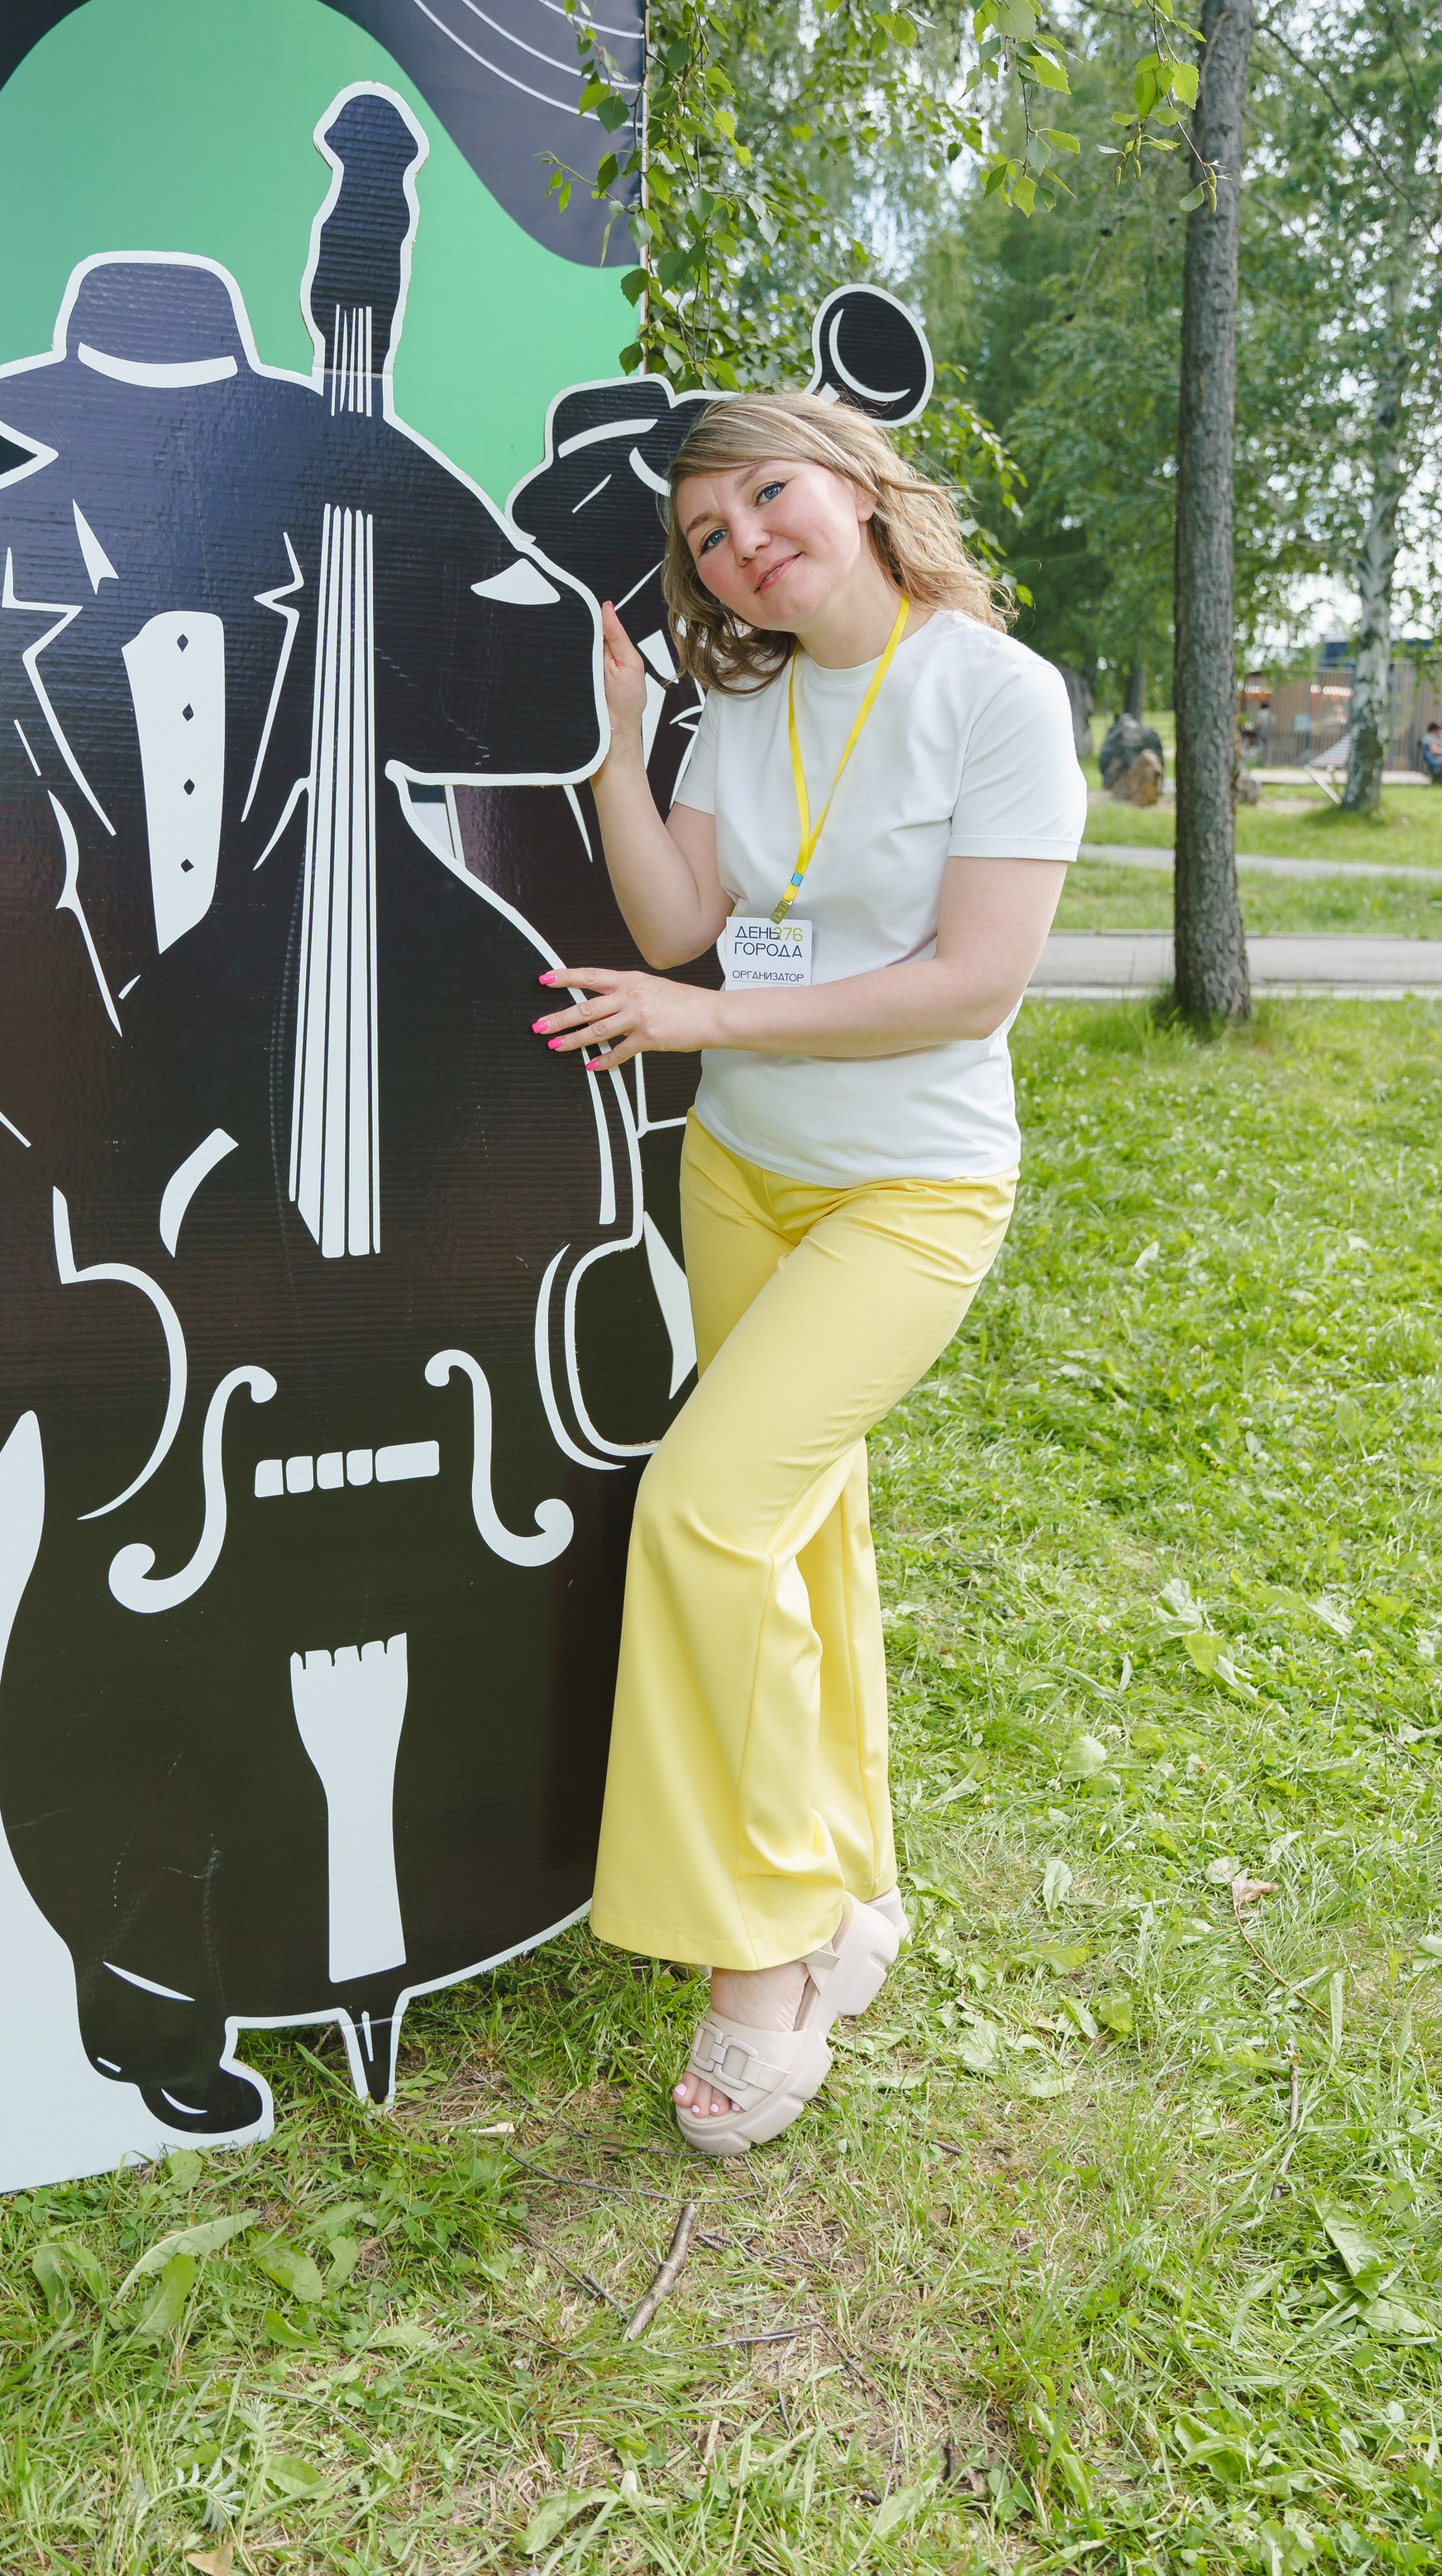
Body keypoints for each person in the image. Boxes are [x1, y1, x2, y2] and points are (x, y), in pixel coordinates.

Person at [530, 393, 1084, 2153]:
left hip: (908, 1190)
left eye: (763, 493)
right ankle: (846, 1898)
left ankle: (763, 1959)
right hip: (744, 1176)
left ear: (852, 486)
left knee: (700, 1512)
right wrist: (621, 746)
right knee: (796, 1528)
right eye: (702, 532)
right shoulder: (741, 699)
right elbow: (677, 923)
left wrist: (706, 1020)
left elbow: (971, 983)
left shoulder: (994, 694)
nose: (739, 540)